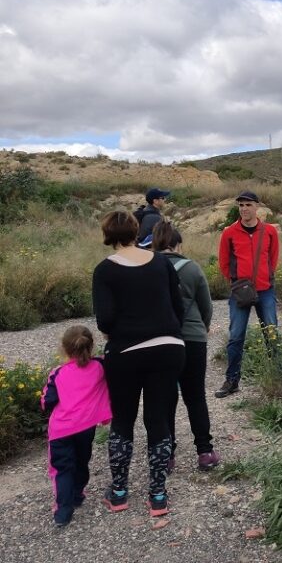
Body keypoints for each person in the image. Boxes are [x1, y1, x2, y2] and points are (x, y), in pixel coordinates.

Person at [93, 210, 184, 517]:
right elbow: (178, 306)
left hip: (125, 353)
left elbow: (104, 319)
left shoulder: (104, 270)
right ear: (135, 230)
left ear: (107, 234)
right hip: (168, 348)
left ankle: (119, 492)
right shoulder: (160, 262)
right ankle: (158, 495)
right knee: (158, 420)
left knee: (123, 421)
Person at [152, 221, 220, 473]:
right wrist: (204, 326)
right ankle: (204, 452)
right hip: (191, 338)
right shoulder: (192, 268)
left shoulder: (148, 267)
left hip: (161, 340)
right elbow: (206, 305)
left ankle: (167, 455)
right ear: (178, 244)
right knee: (195, 396)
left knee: (165, 398)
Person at [41, 325, 112, 527]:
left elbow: (47, 402)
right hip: (86, 428)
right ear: (91, 346)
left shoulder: (58, 373)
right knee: (81, 461)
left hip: (61, 431)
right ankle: (77, 493)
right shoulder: (100, 366)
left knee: (62, 468)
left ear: (64, 349)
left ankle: (63, 511)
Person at [216, 191, 280, 398]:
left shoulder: (269, 231)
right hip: (240, 292)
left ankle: (279, 376)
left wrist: (265, 277)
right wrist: (237, 282)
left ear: (257, 207)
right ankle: (232, 380)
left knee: (271, 333)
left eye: (248, 205)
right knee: (236, 336)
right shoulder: (229, 233)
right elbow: (224, 262)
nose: (244, 209)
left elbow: (273, 258)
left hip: (265, 290)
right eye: (241, 205)